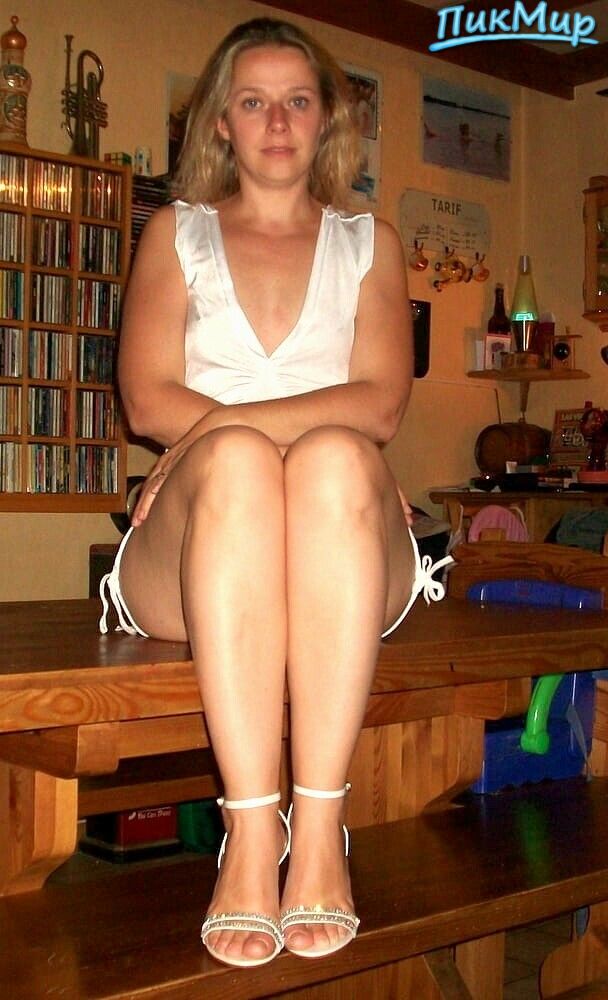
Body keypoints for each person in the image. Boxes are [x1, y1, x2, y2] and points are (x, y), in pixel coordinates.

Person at [99, 16, 450, 970]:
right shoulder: (174, 234)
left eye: (298, 100)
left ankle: (321, 829)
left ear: (327, 117)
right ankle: (253, 831)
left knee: (332, 456)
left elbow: (379, 406)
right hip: (194, 546)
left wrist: (220, 426)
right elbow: (147, 399)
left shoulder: (371, 243)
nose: (279, 121)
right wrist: (230, 442)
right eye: (253, 101)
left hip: (340, 542)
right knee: (247, 463)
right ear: (220, 121)